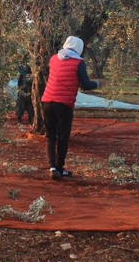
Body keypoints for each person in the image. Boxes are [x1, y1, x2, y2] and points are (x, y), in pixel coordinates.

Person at [40, 36, 99, 180]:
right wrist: (97, 84)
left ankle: (52, 167)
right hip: (64, 104)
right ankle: (60, 168)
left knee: (50, 136)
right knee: (63, 137)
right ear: (79, 48)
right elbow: (85, 85)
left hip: (47, 101)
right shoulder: (79, 63)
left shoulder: (54, 59)